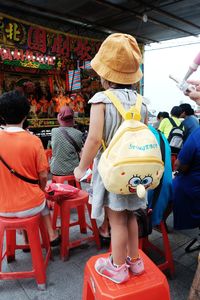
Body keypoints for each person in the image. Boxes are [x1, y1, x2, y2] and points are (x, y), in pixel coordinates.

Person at [74, 33, 148, 284]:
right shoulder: (143, 103)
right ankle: (135, 261)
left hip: (113, 170)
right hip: (137, 171)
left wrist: (81, 167)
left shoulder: (101, 101)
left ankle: (117, 266)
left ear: (105, 76)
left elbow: (94, 140)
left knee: (116, 218)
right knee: (130, 216)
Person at [0, 91, 60, 247]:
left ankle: (26, 241)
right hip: (30, 206)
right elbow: (43, 176)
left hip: (2, 208)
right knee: (40, 199)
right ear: (26, 115)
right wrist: (40, 190)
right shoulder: (34, 141)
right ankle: (52, 235)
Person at [172, 127, 200, 230]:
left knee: (168, 186)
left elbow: (180, 165)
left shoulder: (196, 135)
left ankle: (158, 220)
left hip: (192, 189)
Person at [50, 106, 83, 176]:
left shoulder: (54, 131)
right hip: (72, 169)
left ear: (59, 118)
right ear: (73, 119)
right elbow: (80, 150)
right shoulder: (78, 134)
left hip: (55, 169)